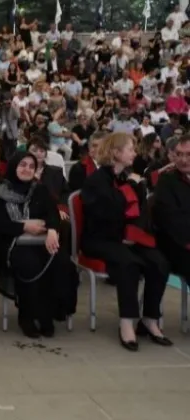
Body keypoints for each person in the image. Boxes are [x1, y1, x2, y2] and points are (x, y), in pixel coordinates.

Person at [80, 132, 172, 351]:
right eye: (130, 149)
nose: (134, 153)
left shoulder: (128, 176)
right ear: (115, 153)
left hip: (125, 237)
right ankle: (127, 321)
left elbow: (137, 211)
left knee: (159, 262)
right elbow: (106, 213)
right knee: (128, 264)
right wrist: (129, 189)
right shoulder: (97, 180)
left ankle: (149, 318)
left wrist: (137, 188)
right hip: (99, 238)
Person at [0, 152, 76, 338]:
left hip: (39, 242)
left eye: (31, 166)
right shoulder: (0, 192)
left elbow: (52, 213)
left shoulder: (40, 190)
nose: (26, 169)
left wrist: (52, 230)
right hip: (9, 243)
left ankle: (48, 314)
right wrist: (24, 226)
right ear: (13, 166)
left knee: (62, 263)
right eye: (22, 165)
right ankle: (27, 316)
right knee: (29, 263)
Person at [153, 135, 190, 291]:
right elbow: (171, 220)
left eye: (188, 155)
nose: (183, 160)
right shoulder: (166, 181)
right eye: (179, 154)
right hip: (175, 243)